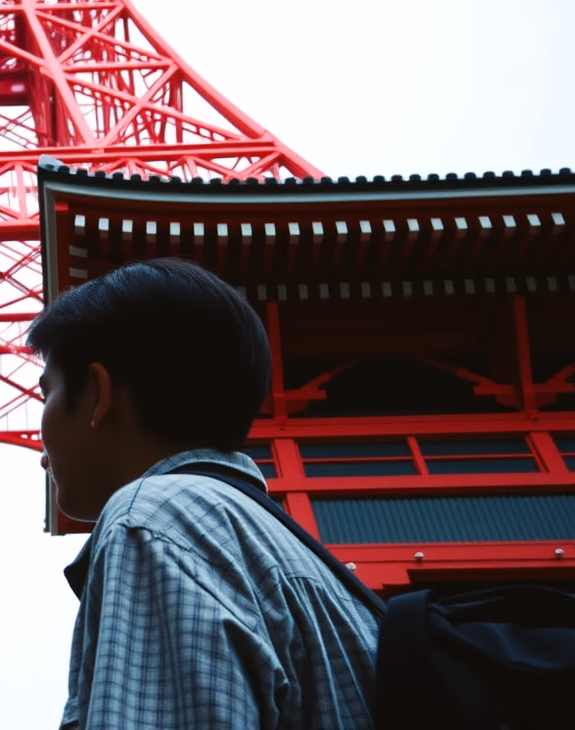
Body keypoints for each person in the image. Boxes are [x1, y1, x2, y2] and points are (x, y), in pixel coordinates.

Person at [27, 258, 378, 730]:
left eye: (46, 394)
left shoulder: (152, 520)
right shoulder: (304, 560)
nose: (42, 453)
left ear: (97, 393)